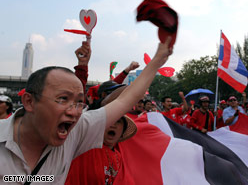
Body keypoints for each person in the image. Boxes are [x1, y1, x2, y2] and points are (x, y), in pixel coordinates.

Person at [0, 37, 172, 184]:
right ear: (29, 102)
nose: (74, 112)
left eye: (79, 102)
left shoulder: (77, 130)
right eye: (63, 99)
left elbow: (126, 100)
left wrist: (157, 60)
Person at [65, 86, 137, 185]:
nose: (113, 124)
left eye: (118, 121)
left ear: (123, 131)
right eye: (110, 120)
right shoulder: (85, 144)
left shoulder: (119, 157)